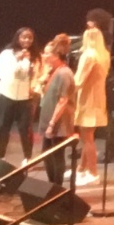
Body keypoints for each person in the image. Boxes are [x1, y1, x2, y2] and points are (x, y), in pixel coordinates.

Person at [71, 27, 109, 187]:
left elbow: (79, 80)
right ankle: (81, 169)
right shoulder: (104, 54)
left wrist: (65, 91)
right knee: (87, 136)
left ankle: (93, 173)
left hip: (88, 99)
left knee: (87, 138)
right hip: (97, 98)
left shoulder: (89, 55)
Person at [0, 28, 36, 162]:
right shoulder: (7, 54)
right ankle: (1, 156)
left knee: (25, 128)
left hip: (25, 97)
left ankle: (27, 157)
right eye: (24, 37)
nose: (27, 40)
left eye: (30, 38)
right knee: (3, 126)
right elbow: (3, 73)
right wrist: (16, 60)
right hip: (7, 94)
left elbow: (37, 75)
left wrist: (29, 63)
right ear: (17, 38)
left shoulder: (35, 56)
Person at [37, 48, 75, 187]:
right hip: (50, 118)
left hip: (59, 121)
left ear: (57, 55)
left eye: (47, 53)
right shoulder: (53, 71)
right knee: (47, 153)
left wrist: (52, 123)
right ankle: (52, 185)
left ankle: (57, 187)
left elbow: (63, 100)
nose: (44, 55)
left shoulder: (64, 73)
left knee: (57, 154)